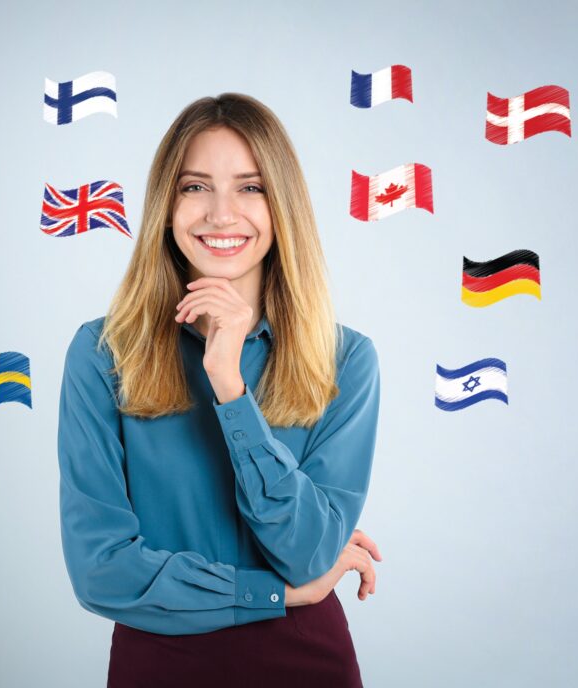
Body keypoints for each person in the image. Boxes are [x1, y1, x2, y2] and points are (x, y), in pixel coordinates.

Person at [57, 93, 383, 687]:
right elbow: (99, 570)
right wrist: (276, 593)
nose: (221, 214)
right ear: (166, 204)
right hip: (158, 667)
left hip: (306, 663)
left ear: (282, 206)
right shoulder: (102, 355)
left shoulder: (347, 361)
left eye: (251, 187)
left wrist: (230, 386)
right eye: (195, 187)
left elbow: (308, 553)